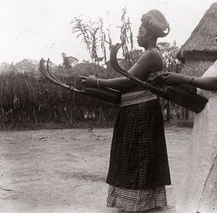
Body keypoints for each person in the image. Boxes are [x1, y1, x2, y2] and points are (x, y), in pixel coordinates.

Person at [156, 2, 217, 213]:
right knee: (203, 167)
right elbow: (203, 86)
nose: (216, 38)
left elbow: (216, 83)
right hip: (209, 121)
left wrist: (181, 77)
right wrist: (173, 82)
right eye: (215, 34)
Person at [80, 9, 171, 212]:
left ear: (150, 35)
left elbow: (126, 82)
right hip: (135, 110)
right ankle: (138, 202)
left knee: (138, 155)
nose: (138, 35)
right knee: (134, 155)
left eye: (141, 31)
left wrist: (97, 81)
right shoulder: (150, 54)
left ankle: (139, 203)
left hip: (141, 112)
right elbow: (129, 81)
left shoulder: (150, 55)